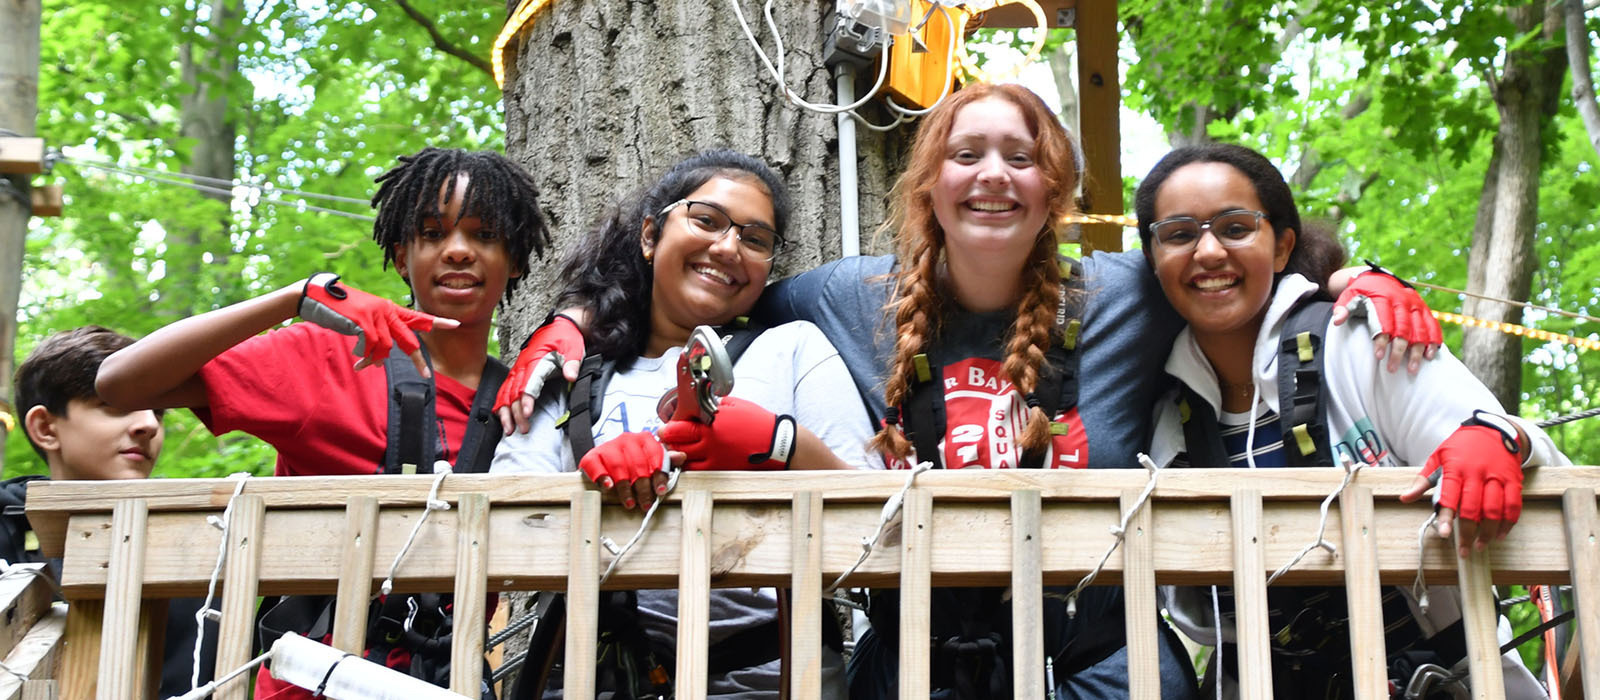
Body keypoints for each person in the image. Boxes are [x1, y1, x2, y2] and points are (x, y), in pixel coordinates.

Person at [492, 84, 1442, 698]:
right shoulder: (839, 297)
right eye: (967, 154)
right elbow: (705, 289)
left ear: (1055, 186)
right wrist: (572, 321)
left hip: (1105, 669)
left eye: (1021, 157)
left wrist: (1354, 283)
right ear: (929, 186)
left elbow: (1238, 272)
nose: (993, 175)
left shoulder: (1128, 293)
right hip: (910, 668)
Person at [96, 147, 550, 699]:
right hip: (304, 688)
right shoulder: (325, 357)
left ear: (517, 258)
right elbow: (118, 383)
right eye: (432, 233)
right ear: (402, 256)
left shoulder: (527, 402)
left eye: (483, 235)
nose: (457, 251)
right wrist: (296, 298)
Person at [1135, 142, 1566, 698]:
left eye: (1236, 227)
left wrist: (1500, 438)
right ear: (1151, 259)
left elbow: (1518, 448)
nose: (1209, 251)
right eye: (1179, 234)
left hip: (1443, 680)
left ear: (1283, 244)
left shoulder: (1365, 338)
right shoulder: (1158, 406)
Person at [491, 149, 872, 699]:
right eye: (706, 220)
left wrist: (782, 445)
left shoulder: (793, 349)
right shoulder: (572, 371)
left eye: (755, 239)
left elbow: (882, 524)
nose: (727, 247)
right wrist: (591, 490)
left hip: (772, 679)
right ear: (651, 235)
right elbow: (504, 533)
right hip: (594, 677)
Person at [12, 325, 217, 699]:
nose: (149, 424)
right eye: (117, 406)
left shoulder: (201, 544)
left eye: (158, 409)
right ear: (45, 428)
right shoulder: (6, 531)